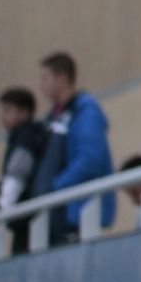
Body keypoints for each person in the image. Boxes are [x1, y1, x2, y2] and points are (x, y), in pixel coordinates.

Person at [32, 52, 115, 243]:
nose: (41, 86)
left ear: (61, 78)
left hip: (76, 211)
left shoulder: (86, 112)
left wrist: (55, 188)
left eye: (45, 78)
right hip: (59, 210)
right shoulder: (54, 118)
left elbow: (90, 159)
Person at [0, 87, 46, 253]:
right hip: (24, 219)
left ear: (24, 112)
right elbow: (6, 181)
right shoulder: (20, 137)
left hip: (27, 219)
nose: (3, 117)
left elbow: (16, 176)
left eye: (8, 110)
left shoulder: (26, 137)